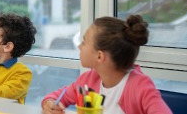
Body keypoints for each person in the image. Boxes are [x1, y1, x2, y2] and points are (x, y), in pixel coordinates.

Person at [41, 15, 171, 114]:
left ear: (99, 56)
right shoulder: (87, 81)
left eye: (84, 42)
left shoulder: (140, 86)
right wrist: (49, 103)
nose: (80, 47)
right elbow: (57, 96)